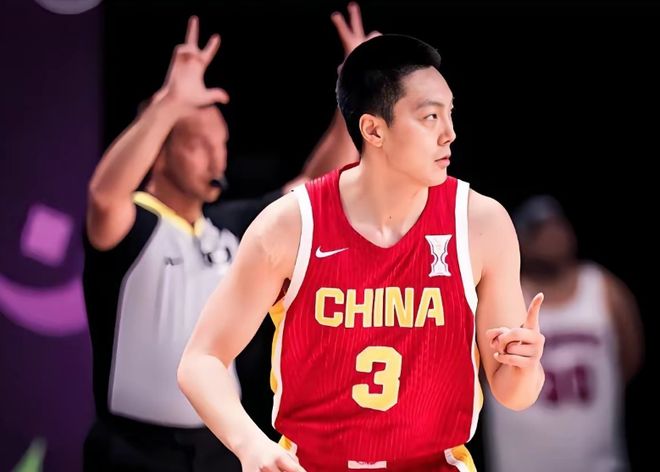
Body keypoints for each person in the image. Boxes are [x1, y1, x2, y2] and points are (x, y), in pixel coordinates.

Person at [178, 33, 547, 472]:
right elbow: (200, 360)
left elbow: (513, 394)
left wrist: (525, 366)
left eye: (450, 113)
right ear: (373, 130)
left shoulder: (481, 223)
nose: (450, 133)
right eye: (430, 116)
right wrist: (251, 445)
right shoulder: (290, 225)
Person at [82, 8, 366, 471]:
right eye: (199, 145)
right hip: (134, 451)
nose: (217, 159)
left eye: (222, 144)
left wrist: (354, 92)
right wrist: (169, 104)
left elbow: (317, 183)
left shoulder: (230, 230)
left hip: (220, 447)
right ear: (160, 152)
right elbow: (103, 196)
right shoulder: (133, 226)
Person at [481, 195, 644, 472]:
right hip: (522, 465)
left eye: (557, 226)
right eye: (539, 229)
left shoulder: (603, 287)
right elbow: (482, 370)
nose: (551, 236)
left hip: (599, 463)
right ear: (521, 241)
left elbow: (630, 357)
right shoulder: (504, 294)